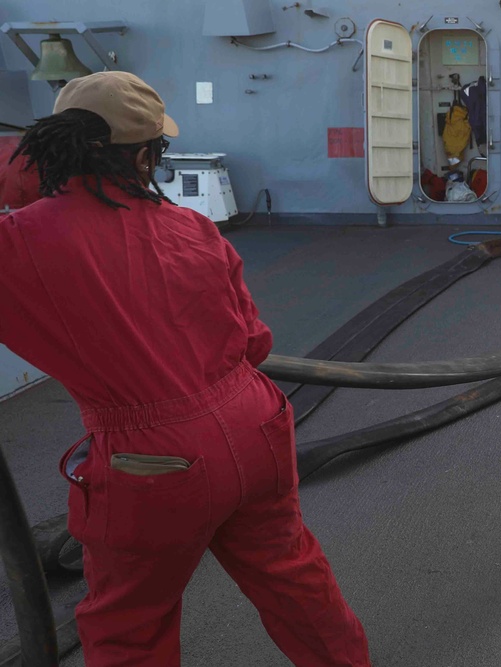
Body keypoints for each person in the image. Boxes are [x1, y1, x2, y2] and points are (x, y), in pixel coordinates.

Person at [0, 72, 370, 666]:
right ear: (145, 155)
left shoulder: (18, 245)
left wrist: (34, 182)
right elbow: (254, 341)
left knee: (129, 627)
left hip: (151, 462)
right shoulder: (191, 226)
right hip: (255, 425)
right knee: (296, 580)